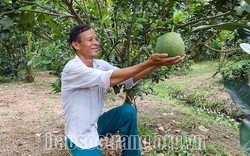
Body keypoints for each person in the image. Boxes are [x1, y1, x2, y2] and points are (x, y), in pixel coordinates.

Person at [61, 24, 185, 156]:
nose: (96, 43)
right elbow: (109, 78)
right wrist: (148, 62)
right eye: (90, 40)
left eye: (96, 39)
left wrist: (157, 64)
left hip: (98, 124)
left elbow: (129, 78)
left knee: (128, 111)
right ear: (76, 45)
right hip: (79, 135)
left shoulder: (100, 64)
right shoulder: (72, 69)